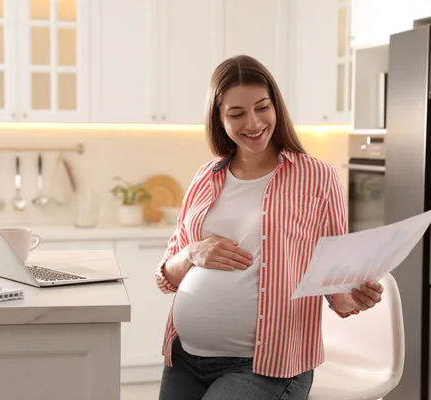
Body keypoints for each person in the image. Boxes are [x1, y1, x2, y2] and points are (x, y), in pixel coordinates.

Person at [155, 55, 384, 400]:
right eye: (236, 114)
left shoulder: (317, 177)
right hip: (184, 357)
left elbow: (335, 276)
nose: (253, 122)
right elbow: (167, 278)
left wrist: (352, 298)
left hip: (266, 367)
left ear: (276, 106)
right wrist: (191, 252)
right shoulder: (206, 177)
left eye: (262, 107)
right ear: (219, 119)